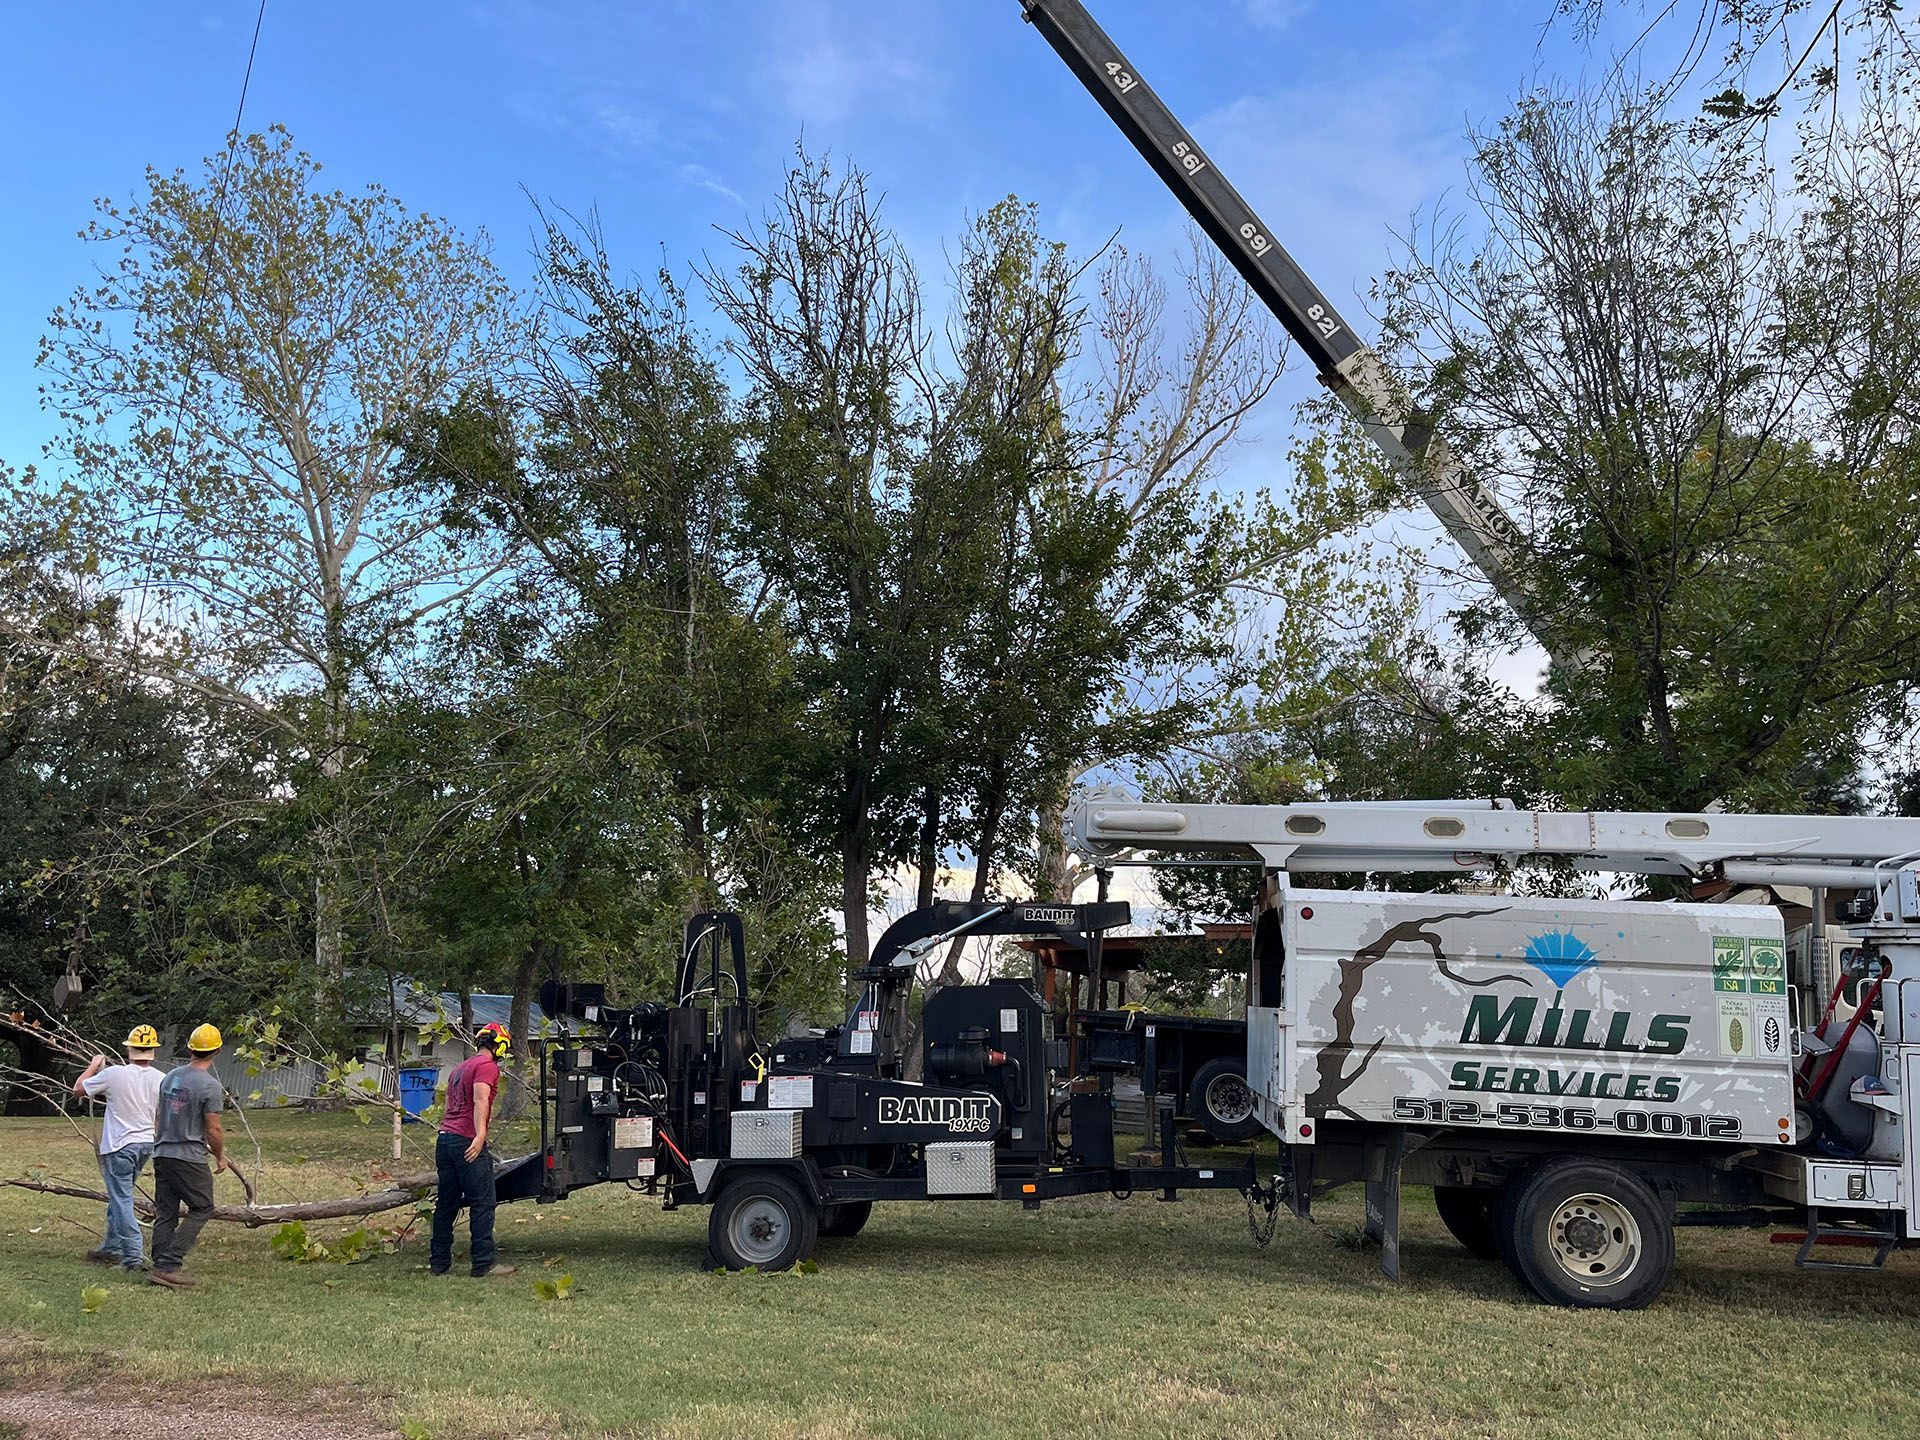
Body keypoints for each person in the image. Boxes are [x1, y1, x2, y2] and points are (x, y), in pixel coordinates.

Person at [72, 1025, 166, 1272]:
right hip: (146, 1143)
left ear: (129, 1049)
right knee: (119, 1197)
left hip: (119, 1146)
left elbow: (78, 1089)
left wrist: (93, 1065)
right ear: (153, 1050)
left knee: (121, 1199)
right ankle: (112, 1248)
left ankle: (133, 1257)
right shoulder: (162, 1078)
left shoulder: (114, 1074)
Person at [430, 1022, 516, 1279]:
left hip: (445, 1139)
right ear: (499, 1045)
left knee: (446, 1204)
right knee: (483, 1202)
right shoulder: (486, 1067)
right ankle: (483, 1263)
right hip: (466, 1140)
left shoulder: (460, 1068)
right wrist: (480, 1136)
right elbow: (480, 1099)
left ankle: (439, 1262)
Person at [148, 1023, 227, 1289]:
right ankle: (170, 1264)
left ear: (191, 1048)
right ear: (217, 1051)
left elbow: (159, 1116)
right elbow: (213, 1128)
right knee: (203, 1207)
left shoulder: (170, 1077)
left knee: (166, 1211)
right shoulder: (210, 1086)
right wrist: (220, 1157)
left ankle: (159, 1265)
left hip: (162, 1152)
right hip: (189, 1156)